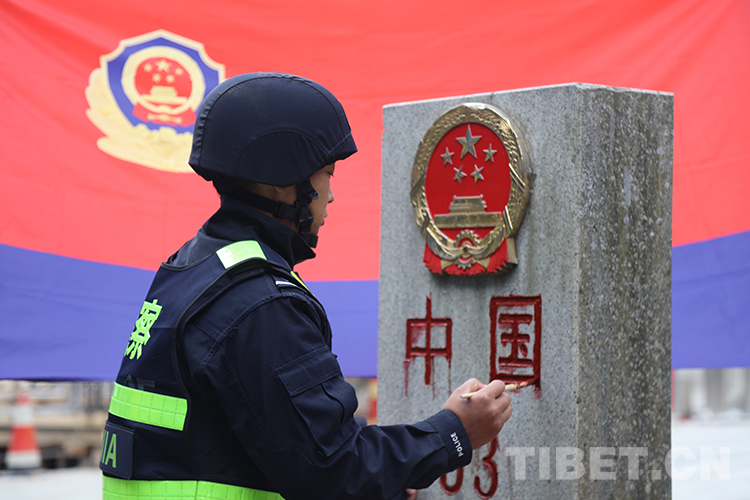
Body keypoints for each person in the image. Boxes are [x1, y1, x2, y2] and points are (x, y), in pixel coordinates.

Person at [100, 72, 512, 500]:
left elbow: (265, 443)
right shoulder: (259, 303)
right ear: (284, 181)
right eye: (326, 174)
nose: (329, 196)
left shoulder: (194, 266)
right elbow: (333, 470)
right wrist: (453, 433)